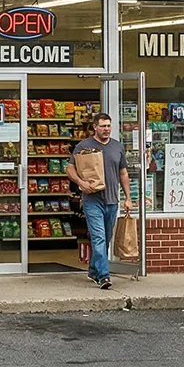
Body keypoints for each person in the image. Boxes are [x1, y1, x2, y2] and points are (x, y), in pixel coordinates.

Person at [67, 113, 132, 289]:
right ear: (95, 127)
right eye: (103, 126)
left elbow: (123, 173)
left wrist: (128, 198)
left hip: (112, 200)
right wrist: (80, 182)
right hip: (92, 200)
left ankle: (93, 270)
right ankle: (104, 276)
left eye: (109, 126)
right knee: (98, 238)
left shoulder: (117, 147)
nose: (106, 129)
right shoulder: (84, 146)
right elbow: (70, 168)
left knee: (106, 237)